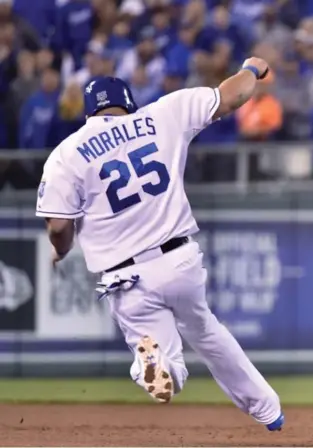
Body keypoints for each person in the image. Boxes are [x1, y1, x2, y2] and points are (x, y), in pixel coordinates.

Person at [34, 59, 285, 431]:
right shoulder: (165, 113)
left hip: (125, 275)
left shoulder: (66, 155)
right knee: (206, 330)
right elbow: (232, 97)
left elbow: (58, 226)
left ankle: (153, 362)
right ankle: (268, 410)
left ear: (89, 112)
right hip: (179, 259)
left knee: (170, 373)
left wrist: (62, 247)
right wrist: (251, 68)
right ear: (127, 101)